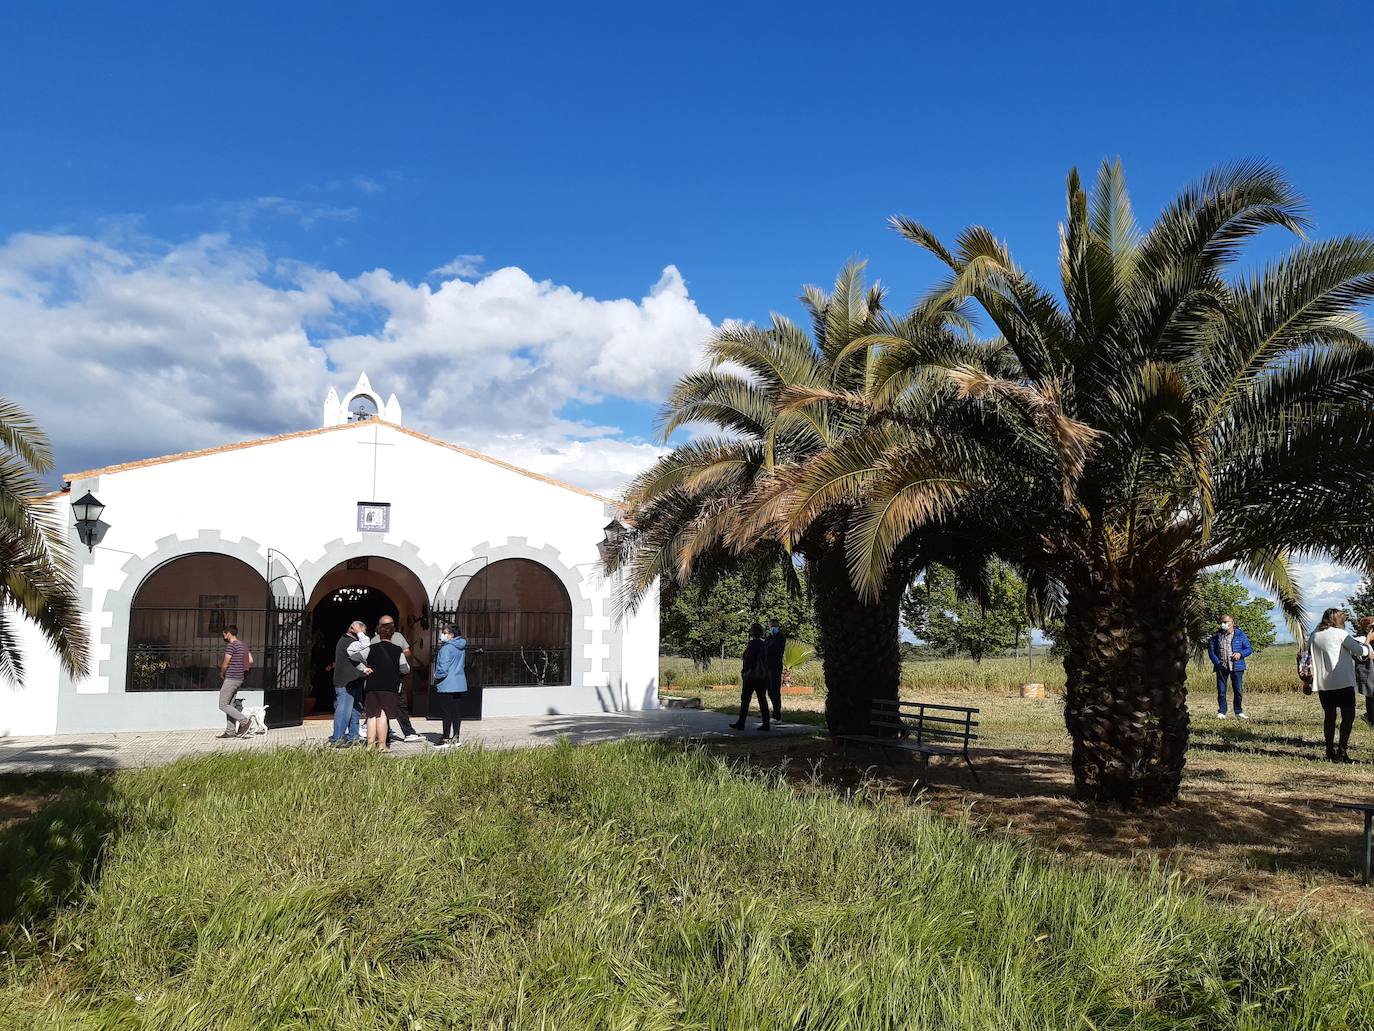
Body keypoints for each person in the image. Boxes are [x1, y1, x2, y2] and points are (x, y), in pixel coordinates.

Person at [1307, 608, 1374, 762]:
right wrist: (1368, 639)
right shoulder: (1340, 634)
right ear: (1338, 620)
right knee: (1347, 717)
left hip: (1323, 683)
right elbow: (1361, 651)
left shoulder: (1314, 635)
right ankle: (1342, 751)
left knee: (1329, 717)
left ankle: (1329, 750)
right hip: (1343, 681)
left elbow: (1307, 655)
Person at [372, 615, 422, 743]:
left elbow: (408, 652)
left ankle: (400, 733)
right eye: (387, 624)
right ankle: (390, 734)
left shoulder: (397, 637)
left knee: (392, 706)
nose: (390, 627)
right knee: (392, 705)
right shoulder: (374, 640)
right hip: (390, 677)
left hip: (388, 678)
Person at [363, 621, 409, 752]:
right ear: (392, 635)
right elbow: (404, 668)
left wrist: (364, 669)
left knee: (371, 715)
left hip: (372, 684)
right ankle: (382, 746)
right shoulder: (397, 650)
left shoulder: (370, 648)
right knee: (383, 715)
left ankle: (370, 745)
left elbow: (355, 657)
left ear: (378, 634)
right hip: (390, 686)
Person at [329, 620, 371, 747]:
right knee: (344, 711)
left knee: (355, 711)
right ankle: (338, 739)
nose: (362, 635)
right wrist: (359, 632)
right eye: (361, 632)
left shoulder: (349, 643)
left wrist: (364, 669)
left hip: (354, 681)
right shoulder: (348, 642)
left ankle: (353, 737)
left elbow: (355, 660)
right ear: (353, 629)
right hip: (345, 683)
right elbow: (365, 644)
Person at [1207, 613, 1252, 719]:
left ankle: (1238, 711)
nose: (1223, 624)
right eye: (1222, 622)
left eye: (1225, 622)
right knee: (1221, 691)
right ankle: (1222, 712)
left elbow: (1249, 649)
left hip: (1237, 667)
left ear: (1232, 623)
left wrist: (1240, 654)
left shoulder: (1240, 635)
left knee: (1238, 690)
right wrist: (1216, 662)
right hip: (1221, 666)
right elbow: (1211, 650)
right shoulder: (1216, 636)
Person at [729, 622, 771, 732]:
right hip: (762, 676)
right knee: (762, 699)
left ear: (752, 632)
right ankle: (766, 723)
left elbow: (749, 659)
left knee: (745, 699)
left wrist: (745, 671)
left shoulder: (752, 644)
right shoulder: (764, 644)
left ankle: (741, 722)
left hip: (752, 676)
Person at [431, 623, 468, 749]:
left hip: (447, 683)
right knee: (456, 712)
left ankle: (445, 739)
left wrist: (436, 675)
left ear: (451, 635)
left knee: (446, 712)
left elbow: (443, 667)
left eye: (445, 632)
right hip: (459, 682)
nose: (443, 635)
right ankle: (456, 737)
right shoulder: (461, 647)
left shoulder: (446, 648)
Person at [216, 625, 255, 738]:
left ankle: (245, 721)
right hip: (239, 678)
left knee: (223, 705)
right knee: (230, 705)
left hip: (231, 678)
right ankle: (230, 731)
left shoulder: (231, 646)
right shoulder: (243, 645)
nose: (224, 636)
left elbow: (226, 663)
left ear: (228, 633)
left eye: (224, 634)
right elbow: (251, 660)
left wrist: (222, 673)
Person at [762, 617, 786, 726]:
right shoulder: (768, 638)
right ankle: (774, 715)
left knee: (775, 692)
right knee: (770, 691)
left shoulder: (781, 638)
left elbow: (773, 649)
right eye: (771, 626)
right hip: (767, 668)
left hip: (775, 668)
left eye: (774, 626)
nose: (773, 628)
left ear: (778, 626)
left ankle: (777, 715)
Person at [1355, 616, 1374, 728]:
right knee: (1371, 697)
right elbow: (1360, 654)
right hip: (1369, 675)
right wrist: (1368, 639)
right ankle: (1370, 719)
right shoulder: (1361, 640)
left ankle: (1369, 717)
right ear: (1367, 629)